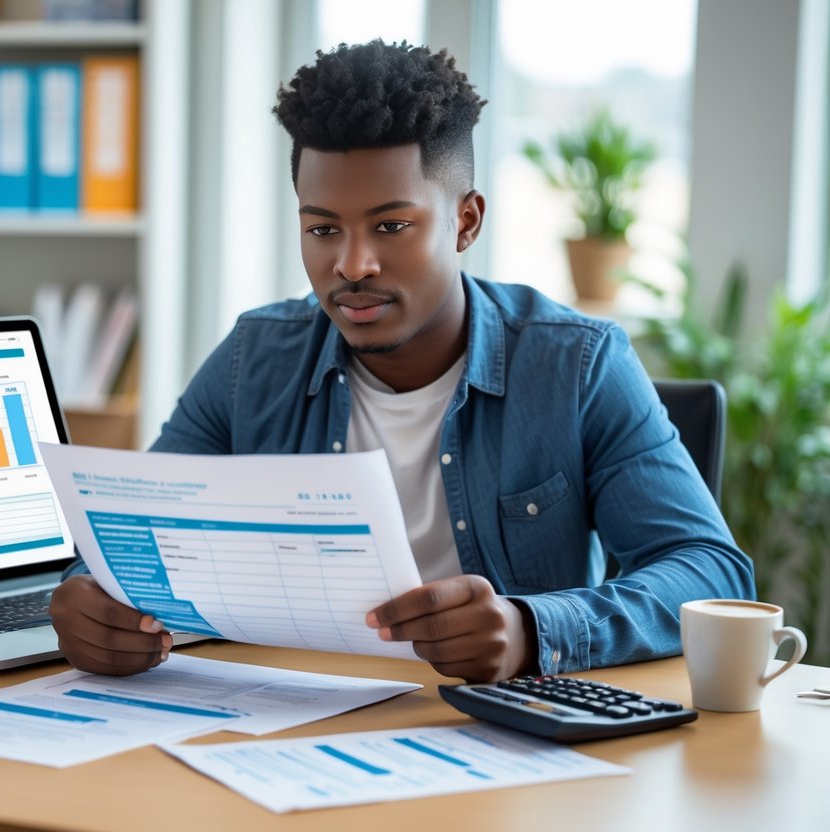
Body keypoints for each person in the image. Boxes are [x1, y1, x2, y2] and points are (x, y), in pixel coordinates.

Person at [49, 40, 755, 682]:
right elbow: (129, 534)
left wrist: (530, 628)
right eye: (322, 229)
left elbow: (708, 573)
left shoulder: (578, 366)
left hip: (498, 738)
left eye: (391, 226)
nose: (350, 264)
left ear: (465, 221)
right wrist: (89, 599)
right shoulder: (253, 358)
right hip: (283, 719)